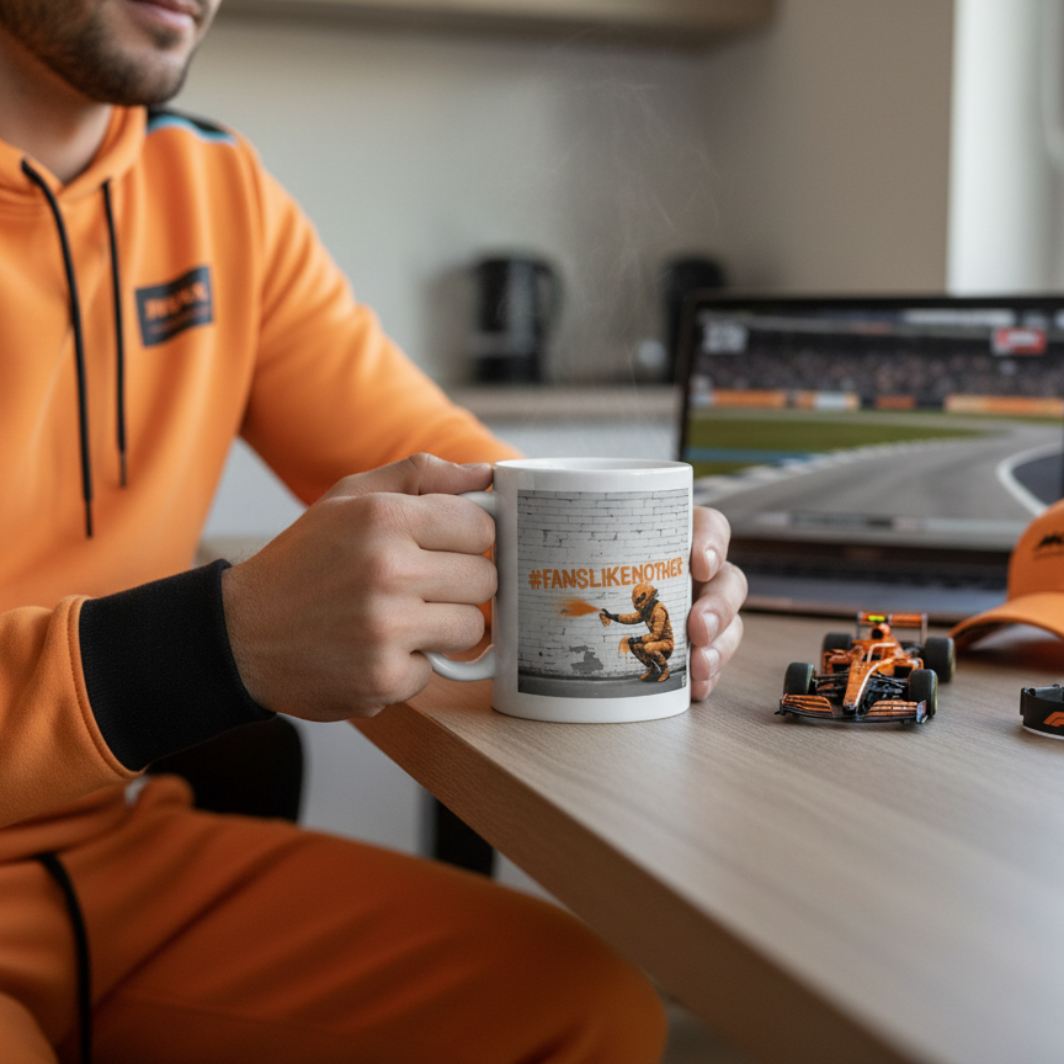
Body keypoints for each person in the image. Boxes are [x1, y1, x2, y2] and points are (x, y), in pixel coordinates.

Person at [0, 1, 748, 1061]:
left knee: (579, 1004)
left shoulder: (216, 191)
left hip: (113, 849)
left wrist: (626, 549)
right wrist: (221, 641)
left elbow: (447, 463)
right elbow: (232, 634)